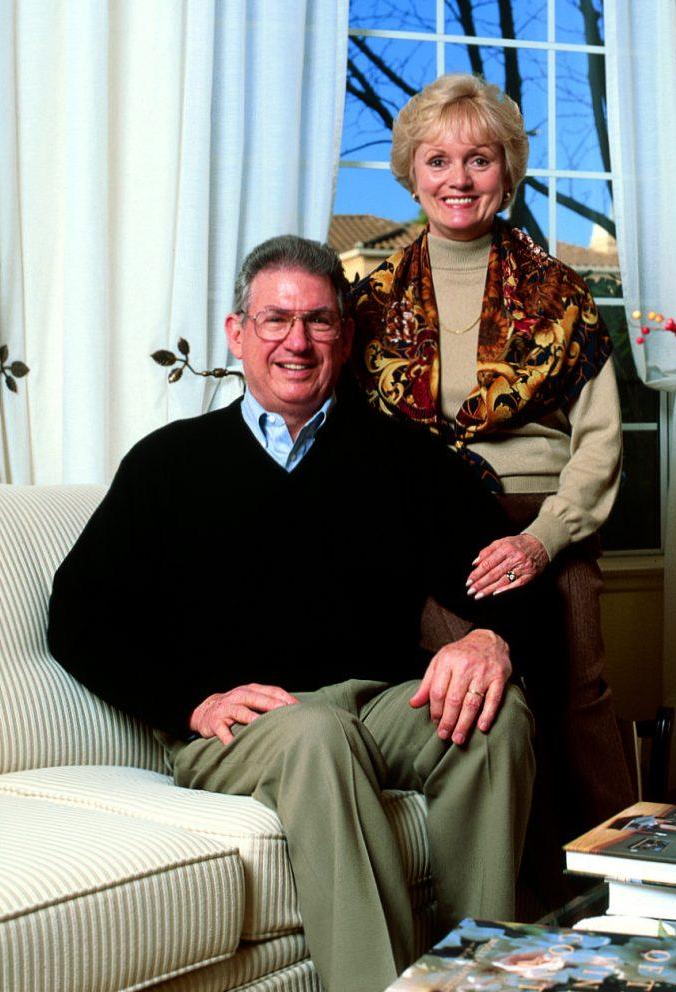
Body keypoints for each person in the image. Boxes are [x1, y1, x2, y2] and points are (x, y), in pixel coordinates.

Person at [47, 236, 538, 992]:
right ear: (236, 333)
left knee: (491, 718)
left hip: (377, 705)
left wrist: (489, 639)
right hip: (249, 729)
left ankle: (481, 980)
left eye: (317, 321)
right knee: (316, 731)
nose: (296, 342)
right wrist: (191, 701)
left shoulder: (402, 460)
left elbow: (504, 573)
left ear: (343, 337)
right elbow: (77, 616)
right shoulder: (168, 464)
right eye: (275, 320)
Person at [352, 74, 635, 858]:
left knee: (578, 693)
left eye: (479, 159)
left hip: (538, 518)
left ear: (507, 174)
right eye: (438, 160)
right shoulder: (369, 301)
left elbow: (602, 441)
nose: (458, 178)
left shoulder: (561, 292)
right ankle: (520, 886)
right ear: (412, 173)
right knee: (485, 691)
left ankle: (622, 885)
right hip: (426, 525)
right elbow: (356, 440)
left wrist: (545, 540)